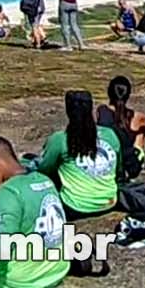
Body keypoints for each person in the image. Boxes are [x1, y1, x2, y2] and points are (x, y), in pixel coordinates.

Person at [0, 136, 69, 288]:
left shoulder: (8, 192)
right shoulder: (44, 180)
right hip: (57, 270)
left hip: (25, 281)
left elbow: (0, 246)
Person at [35, 90, 121, 218]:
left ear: (68, 111)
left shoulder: (60, 139)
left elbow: (44, 169)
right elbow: (118, 169)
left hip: (75, 206)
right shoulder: (110, 135)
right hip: (109, 202)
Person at [95, 75, 145, 181]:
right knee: (140, 129)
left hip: (106, 155)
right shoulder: (134, 116)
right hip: (127, 162)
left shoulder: (101, 110)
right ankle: (138, 154)